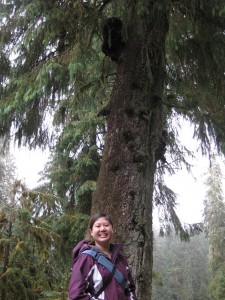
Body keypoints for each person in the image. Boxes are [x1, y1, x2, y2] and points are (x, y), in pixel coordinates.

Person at [68, 212, 138, 299]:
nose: (102, 229)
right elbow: (76, 295)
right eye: (98, 226)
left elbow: (130, 289)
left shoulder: (120, 259)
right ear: (91, 232)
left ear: (112, 229)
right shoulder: (86, 258)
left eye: (106, 225)